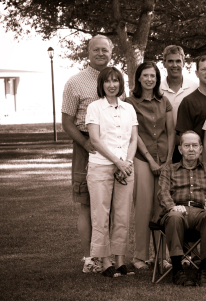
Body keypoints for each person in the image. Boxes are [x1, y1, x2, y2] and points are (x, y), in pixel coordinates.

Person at [62, 35, 118, 273]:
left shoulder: (117, 79)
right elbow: (66, 122)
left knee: (112, 205)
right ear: (88, 52)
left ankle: (111, 256)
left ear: (111, 52)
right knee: (88, 204)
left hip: (114, 148)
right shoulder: (75, 82)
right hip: (86, 149)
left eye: (104, 50)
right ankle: (89, 258)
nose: (100, 53)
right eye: (95, 49)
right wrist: (86, 144)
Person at [85, 67, 138, 277]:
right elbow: (95, 140)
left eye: (116, 81)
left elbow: (133, 139)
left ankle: (120, 261)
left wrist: (127, 162)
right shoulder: (94, 107)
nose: (112, 84)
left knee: (123, 215)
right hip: (101, 166)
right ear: (101, 84)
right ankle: (105, 262)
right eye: (107, 81)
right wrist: (117, 161)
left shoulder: (129, 108)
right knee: (101, 214)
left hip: (125, 168)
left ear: (121, 84)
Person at [158, 131, 206, 286]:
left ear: (201, 149)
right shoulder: (169, 170)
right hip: (177, 213)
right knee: (174, 217)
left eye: (195, 145)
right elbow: (163, 194)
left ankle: (203, 271)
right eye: (187, 145)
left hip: (202, 213)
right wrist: (172, 207)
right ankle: (177, 270)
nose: (191, 149)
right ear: (180, 149)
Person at [125, 62, 175, 270]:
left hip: (165, 159)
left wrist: (169, 158)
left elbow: (171, 132)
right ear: (138, 78)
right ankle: (140, 257)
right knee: (144, 208)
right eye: (145, 76)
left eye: (153, 76)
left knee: (162, 208)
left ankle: (161, 256)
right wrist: (152, 160)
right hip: (142, 159)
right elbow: (133, 135)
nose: (149, 79)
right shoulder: (129, 103)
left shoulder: (165, 101)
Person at [160, 45, 198, 163]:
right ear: (164, 63)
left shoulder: (194, 87)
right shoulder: (158, 89)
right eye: (170, 61)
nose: (174, 65)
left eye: (178, 61)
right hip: (165, 147)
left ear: (183, 63)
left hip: (190, 148)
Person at [175, 56, 206, 143]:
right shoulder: (188, 102)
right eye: (203, 69)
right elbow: (184, 137)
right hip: (200, 154)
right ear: (197, 73)